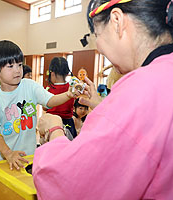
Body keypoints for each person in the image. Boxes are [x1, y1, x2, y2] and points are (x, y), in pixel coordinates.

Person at [32, 0, 173, 199]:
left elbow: (72, 182)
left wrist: (54, 130)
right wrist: (104, 107)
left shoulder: (141, 87)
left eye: (97, 35)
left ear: (117, 21)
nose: (98, 46)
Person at [0, 40, 77, 170]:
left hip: (30, 156)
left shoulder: (30, 86)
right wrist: (8, 154)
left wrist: (69, 94)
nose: (17, 70)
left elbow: (50, 101)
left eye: (20, 65)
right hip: (5, 159)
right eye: (10, 66)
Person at [45, 57, 76, 139]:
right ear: (67, 73)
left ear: (52, 73)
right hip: (68, 123)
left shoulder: (48, 88)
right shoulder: (72, 87)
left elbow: (45, 107)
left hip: (51, 123)